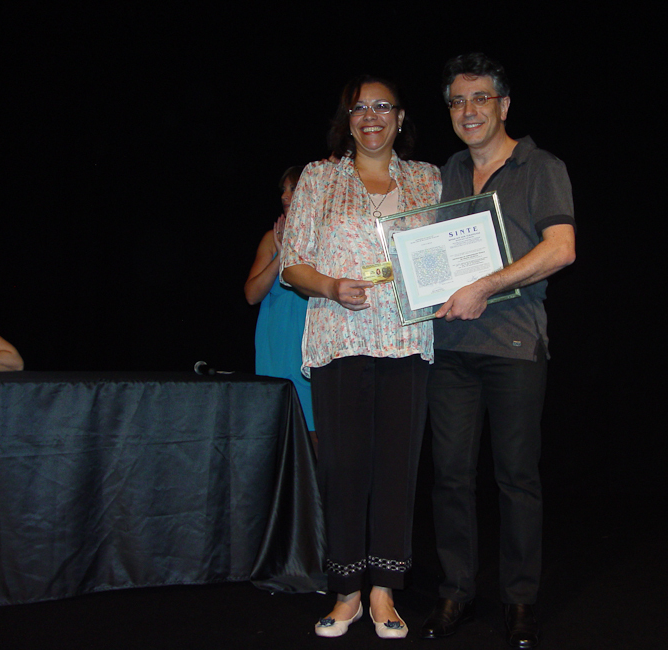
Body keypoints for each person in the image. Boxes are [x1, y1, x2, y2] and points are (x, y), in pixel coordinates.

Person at [420, 53, 576, 649]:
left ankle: (519, 599)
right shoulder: (446, 172)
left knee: (516, 478)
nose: (469, 110)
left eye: (481, 98)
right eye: (458, 101)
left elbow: (561, 248)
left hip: (514, 345)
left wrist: (485, 286)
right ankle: (455, 591)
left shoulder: (542, 166)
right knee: (450, 477)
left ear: (504, 105)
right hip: (450, 347)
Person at [279, 74, 441, 639]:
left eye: (382, 106)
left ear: (401, 117)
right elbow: (291, 263)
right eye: (359, 108)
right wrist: (329, 286)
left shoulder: (428, 179)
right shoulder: (319, 178)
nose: (371, 116)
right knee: (343, 468)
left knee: (397, 467)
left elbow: (449, 254)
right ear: (346, 120)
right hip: (340, 339)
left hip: (406, 340)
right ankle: (346, 589)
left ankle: (384, 590)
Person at [244, 165, 316, 439]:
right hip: (277, 348)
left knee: (314, 437)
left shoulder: (324, 235)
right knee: (279, 434)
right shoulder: (270, 238)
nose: (285, 196)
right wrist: (281, 255)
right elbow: (252, 295)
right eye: (283, 190)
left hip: (310, 347)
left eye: (293, 188)